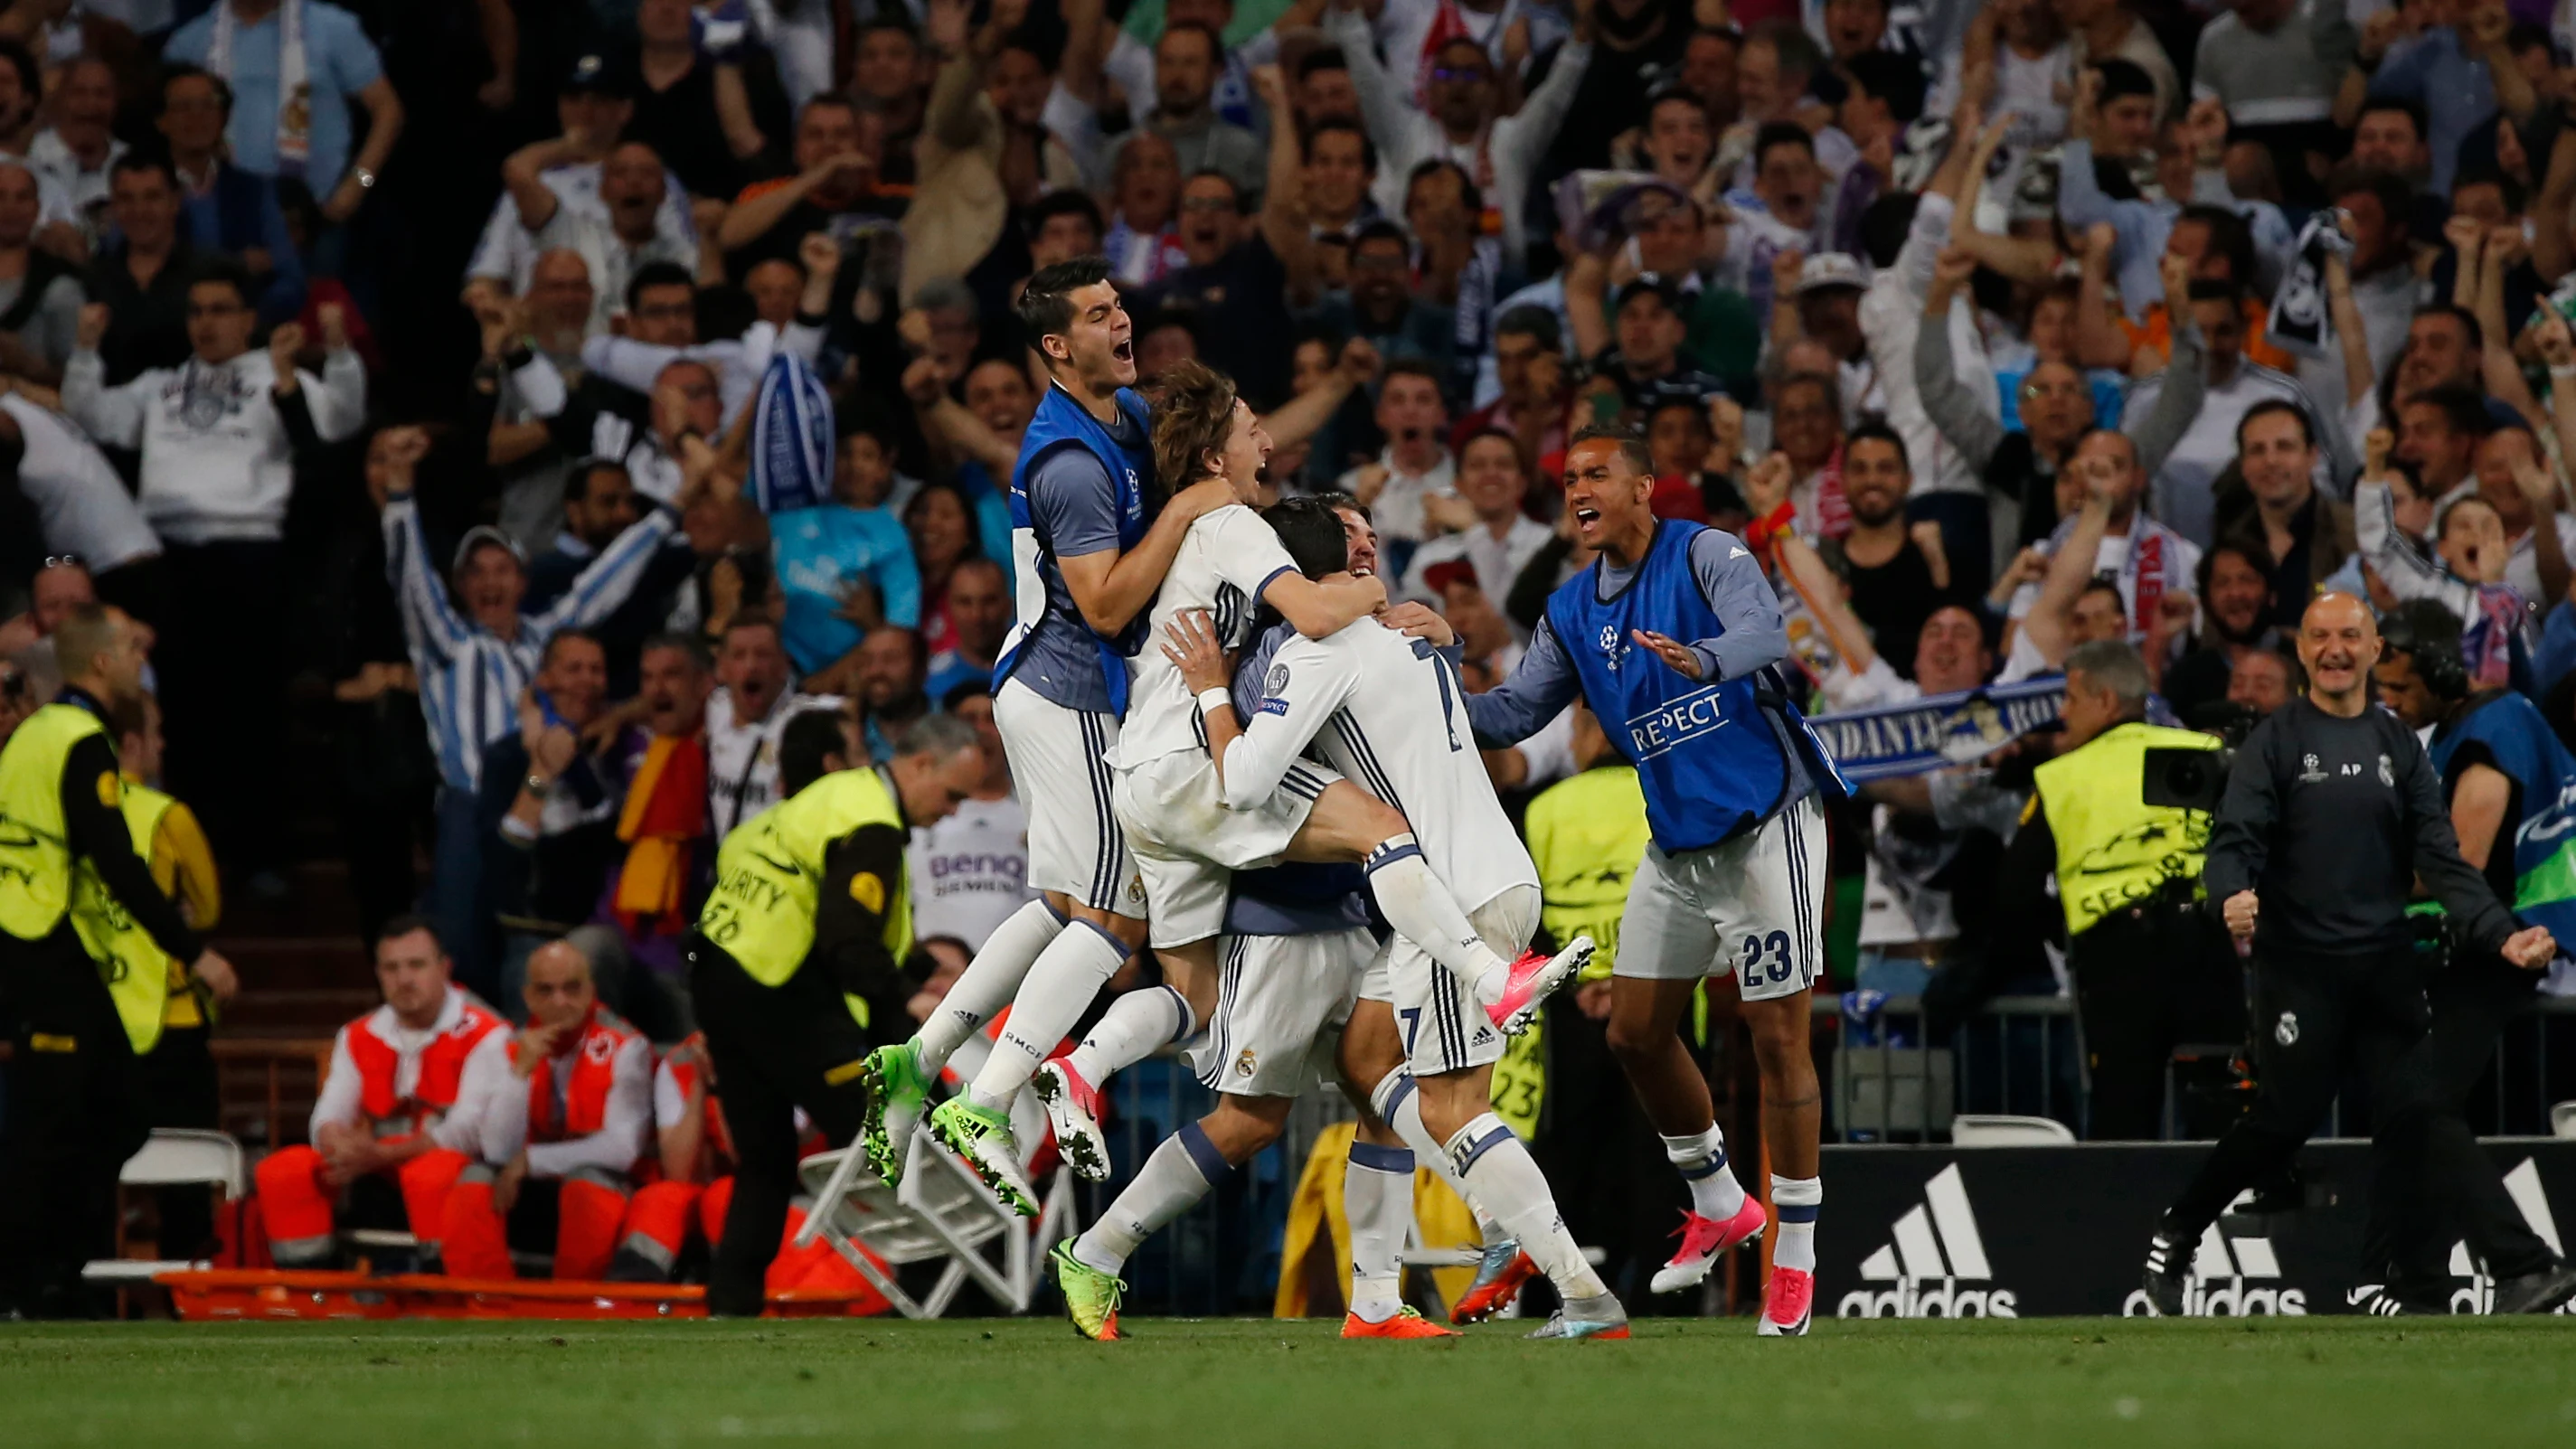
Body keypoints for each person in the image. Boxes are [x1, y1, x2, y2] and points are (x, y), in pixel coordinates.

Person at [1027, 372, 1581, 1200]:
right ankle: (1485, 974)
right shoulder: (1232, 521)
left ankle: (1080, 1063)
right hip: (1194, 764)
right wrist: (1369, 591)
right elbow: (1315, 625)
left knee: (1190, 995)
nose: (1268, 444)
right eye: (1252, 428)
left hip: (1142, 775)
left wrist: (1441, 642)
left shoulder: (1174, 532)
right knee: (1382, 828)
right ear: (1216, 456)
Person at [1095, 494, 1620, 1340]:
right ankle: (1388, 1295)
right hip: (1471, 884)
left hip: (1443, 895)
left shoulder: (1317, 648)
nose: (1374, 551)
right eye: (1358, 538)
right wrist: (1442, 634)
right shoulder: (1407, 637)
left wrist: (1206, 692)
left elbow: (1239, 783)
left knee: (1439, 1111)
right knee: (1376, 1070)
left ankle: (1571, 1281)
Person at [1461, 425, 1847, 1335]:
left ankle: (1792, 1255)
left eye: (1598, 474)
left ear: (1643, 487)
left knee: (1776, 1040)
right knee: (1634, 1034)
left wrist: (1704, 658)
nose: (1579, 490)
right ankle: (1719, 1198)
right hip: (1677, 845)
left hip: (1767, 827)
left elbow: (1766, 636)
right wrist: (1422, 678)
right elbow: (1514, 712)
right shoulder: (1567, 608)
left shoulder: (1704, 551)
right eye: (1568, 480)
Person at [2138, 593, 2557, 1315]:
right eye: (2321, 636)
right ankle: (2177, 1230)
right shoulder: (2274, 741)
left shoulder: (2398, 745)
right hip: (2299, 969)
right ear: (2302, 651)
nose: (2335, 648)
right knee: (2282, 1121)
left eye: (2350, 636)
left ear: (2371, 650)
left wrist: (2500, 931)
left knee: (2422, 1108)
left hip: (2385, 968)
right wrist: (2227, 897)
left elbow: (2442, 857)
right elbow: (2232, 841)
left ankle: (2513, 1270)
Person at [686, 712, 986, 1314]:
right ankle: (961, 1297)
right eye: (952, 794)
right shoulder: (871, 823)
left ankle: (730, 1301)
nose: (951, 811)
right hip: (780, 989)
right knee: (893, 1130)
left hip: (717, 972)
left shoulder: (830, 796)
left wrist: (915, 971)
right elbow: (849, 942)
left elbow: (745, 856)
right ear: (921, 764)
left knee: (766, 1156)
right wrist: (906, 1005)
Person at [374, 425, 690, 992]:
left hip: (546, 808)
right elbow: (411, 582)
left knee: (538, 953)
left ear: (522, 581)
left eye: (502, 570)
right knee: (465, 949)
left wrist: (669, 514)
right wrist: (400, 493)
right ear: (463, 585)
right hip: (472, 809)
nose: (490, 582)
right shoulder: (448, 644)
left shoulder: (545, 642)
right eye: (477, 572)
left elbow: (604, 583)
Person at [0, 605, 236, 1315]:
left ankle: (59, 1277)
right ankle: (32, 1285)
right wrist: (194, 950)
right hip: (38, 944)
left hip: (38, 944)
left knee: (98, 1112)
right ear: (101, 662)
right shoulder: (78, 736)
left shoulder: (35, 734)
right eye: (131, 647)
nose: (141, 657)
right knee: (55, 1124)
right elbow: (116, 862)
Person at [2362, 603, 2576, 1314]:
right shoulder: (2474, 727)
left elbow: (2457, 863)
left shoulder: (2488, 734)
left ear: (2442, 669)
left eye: (2397, 687)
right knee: (2419, 1106)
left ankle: (2523, 1264)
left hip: (2492, 948)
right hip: (2479, 947)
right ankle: (2416, 1279)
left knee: (2417, 1100)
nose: (2386, 700)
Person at [1998, 640, 2240, 1139]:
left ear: (2105, 700)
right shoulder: (2207, 754)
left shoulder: (2063, 776)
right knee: (2221, 1111)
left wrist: (2067, 929)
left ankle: (2130, 1218)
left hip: (2116, 963)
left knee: (2123, 1119)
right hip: (2207, 951)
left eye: (2070, 698)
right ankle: (2226, 1214)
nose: (2063, 714)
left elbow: (2014, 891)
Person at [249, 917, 505, 1271]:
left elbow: (467, 1133)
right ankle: (312, 1292)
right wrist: (337, 1142)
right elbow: (327, 1116)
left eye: (416, 965)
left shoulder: (489, 1033)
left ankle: (441, 1288)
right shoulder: (358, 1034)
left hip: (454, 1167)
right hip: (374, 1167)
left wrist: (378, 1155)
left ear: (444, 968)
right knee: (286, 1170)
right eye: (392, 968)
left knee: (433, 1172)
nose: (404, 979)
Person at [439, 939, 652, 1282]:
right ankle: (487, 1307)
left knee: (587, 1183)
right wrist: (519, 1074)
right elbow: (497, 1151)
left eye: (572, 988)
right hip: (524, 1189)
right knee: (473, 1181)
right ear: (528, 997)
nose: (560, 1002)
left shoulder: (628, 1047)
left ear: (591, 990)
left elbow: (623, 1148)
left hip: (598, 1182)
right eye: (546, 990)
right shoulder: (501, 1046)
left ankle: (574, 1308)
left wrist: (531, 1160)